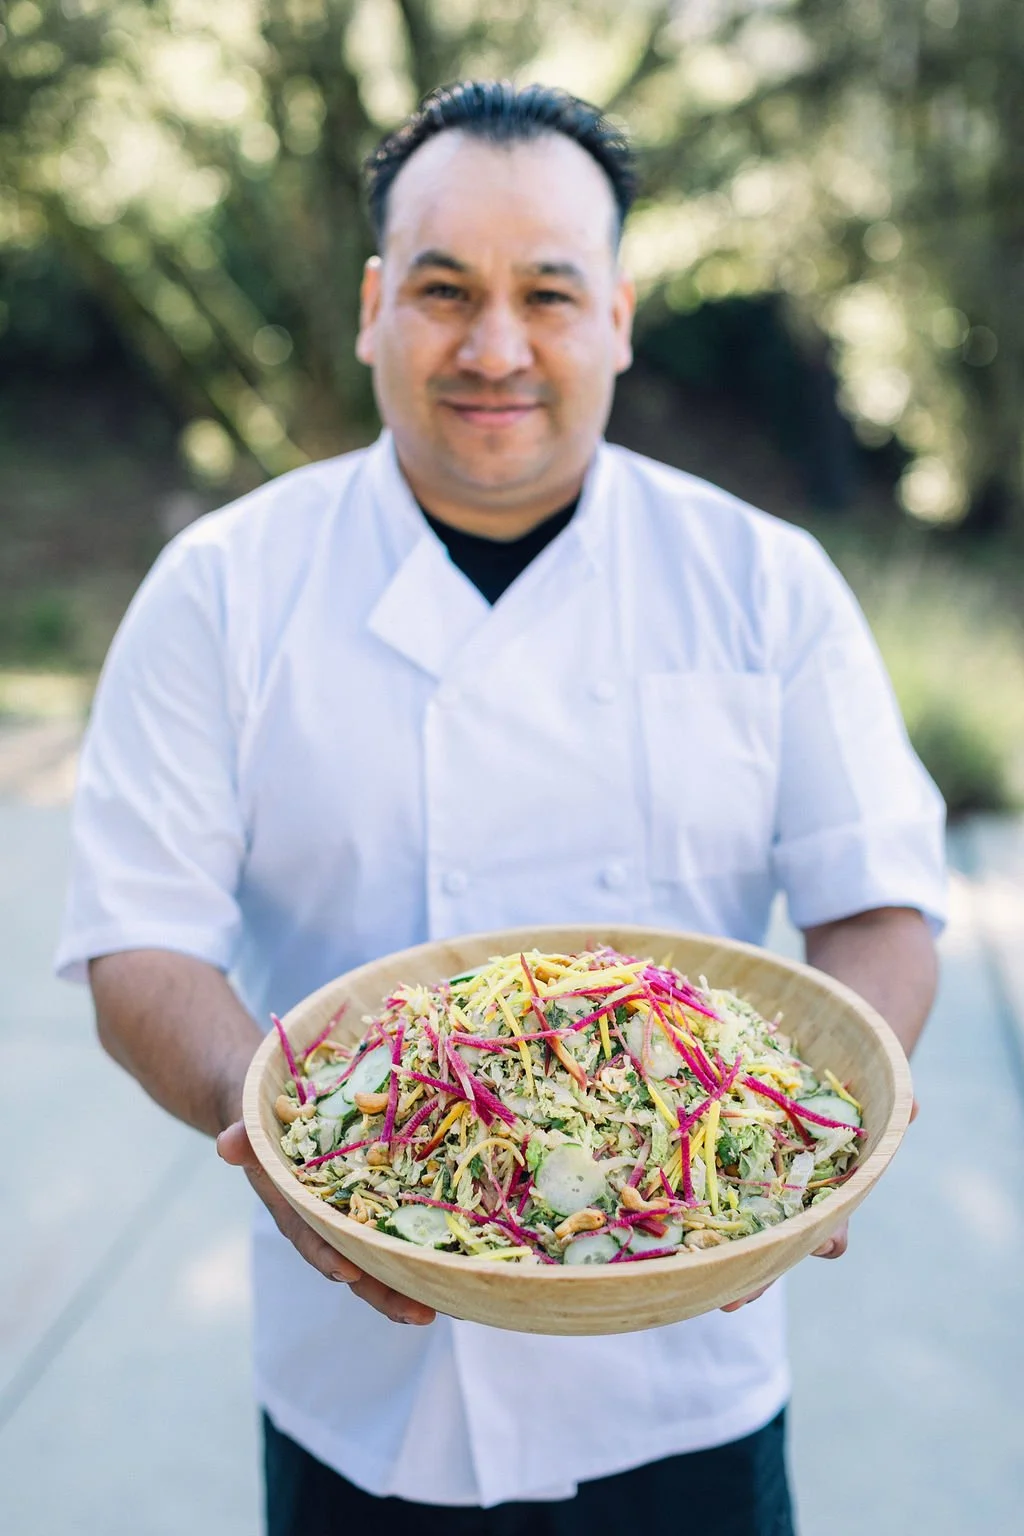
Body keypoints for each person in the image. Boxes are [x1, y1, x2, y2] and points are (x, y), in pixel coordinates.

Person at [56, 81, 945, 1536]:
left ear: (619, 316)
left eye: (548, 293)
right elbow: (138, 944)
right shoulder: (225, 590)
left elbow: (879, 908)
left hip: (689, 1377)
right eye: (443, 290)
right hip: (361, 1380)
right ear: (370, 305)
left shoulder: (763, 581)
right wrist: (267, 1126)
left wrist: (812, 1124)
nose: (494, 347)